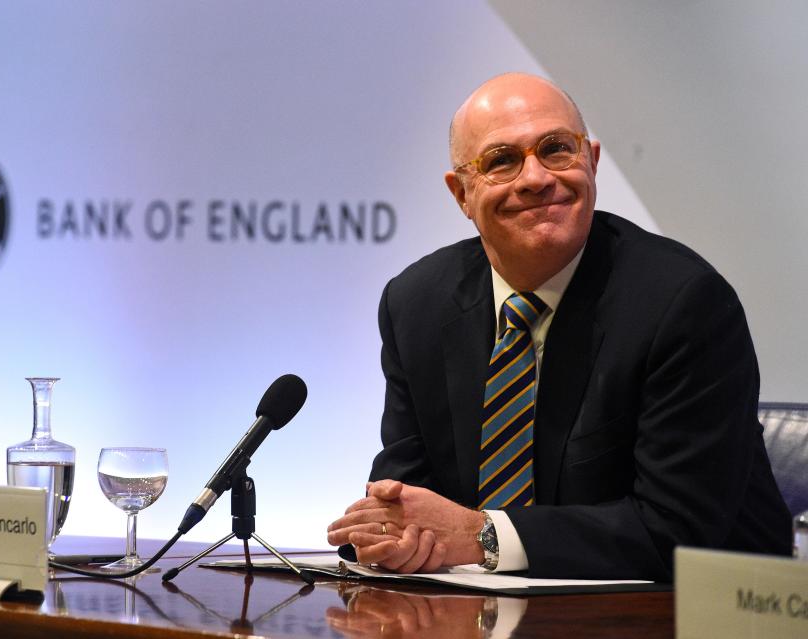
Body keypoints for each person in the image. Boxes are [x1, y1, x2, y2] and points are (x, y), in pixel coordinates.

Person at [326, 72, 791, 581]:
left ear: (591, 162)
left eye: (555, 150)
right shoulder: (416, 304)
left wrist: (482, 536)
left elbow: (675, 531)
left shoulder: (683, 303)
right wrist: (393, 535)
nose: (535, 178)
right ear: (461, 193)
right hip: (477, 616)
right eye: (500, 161)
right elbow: (406, 490)